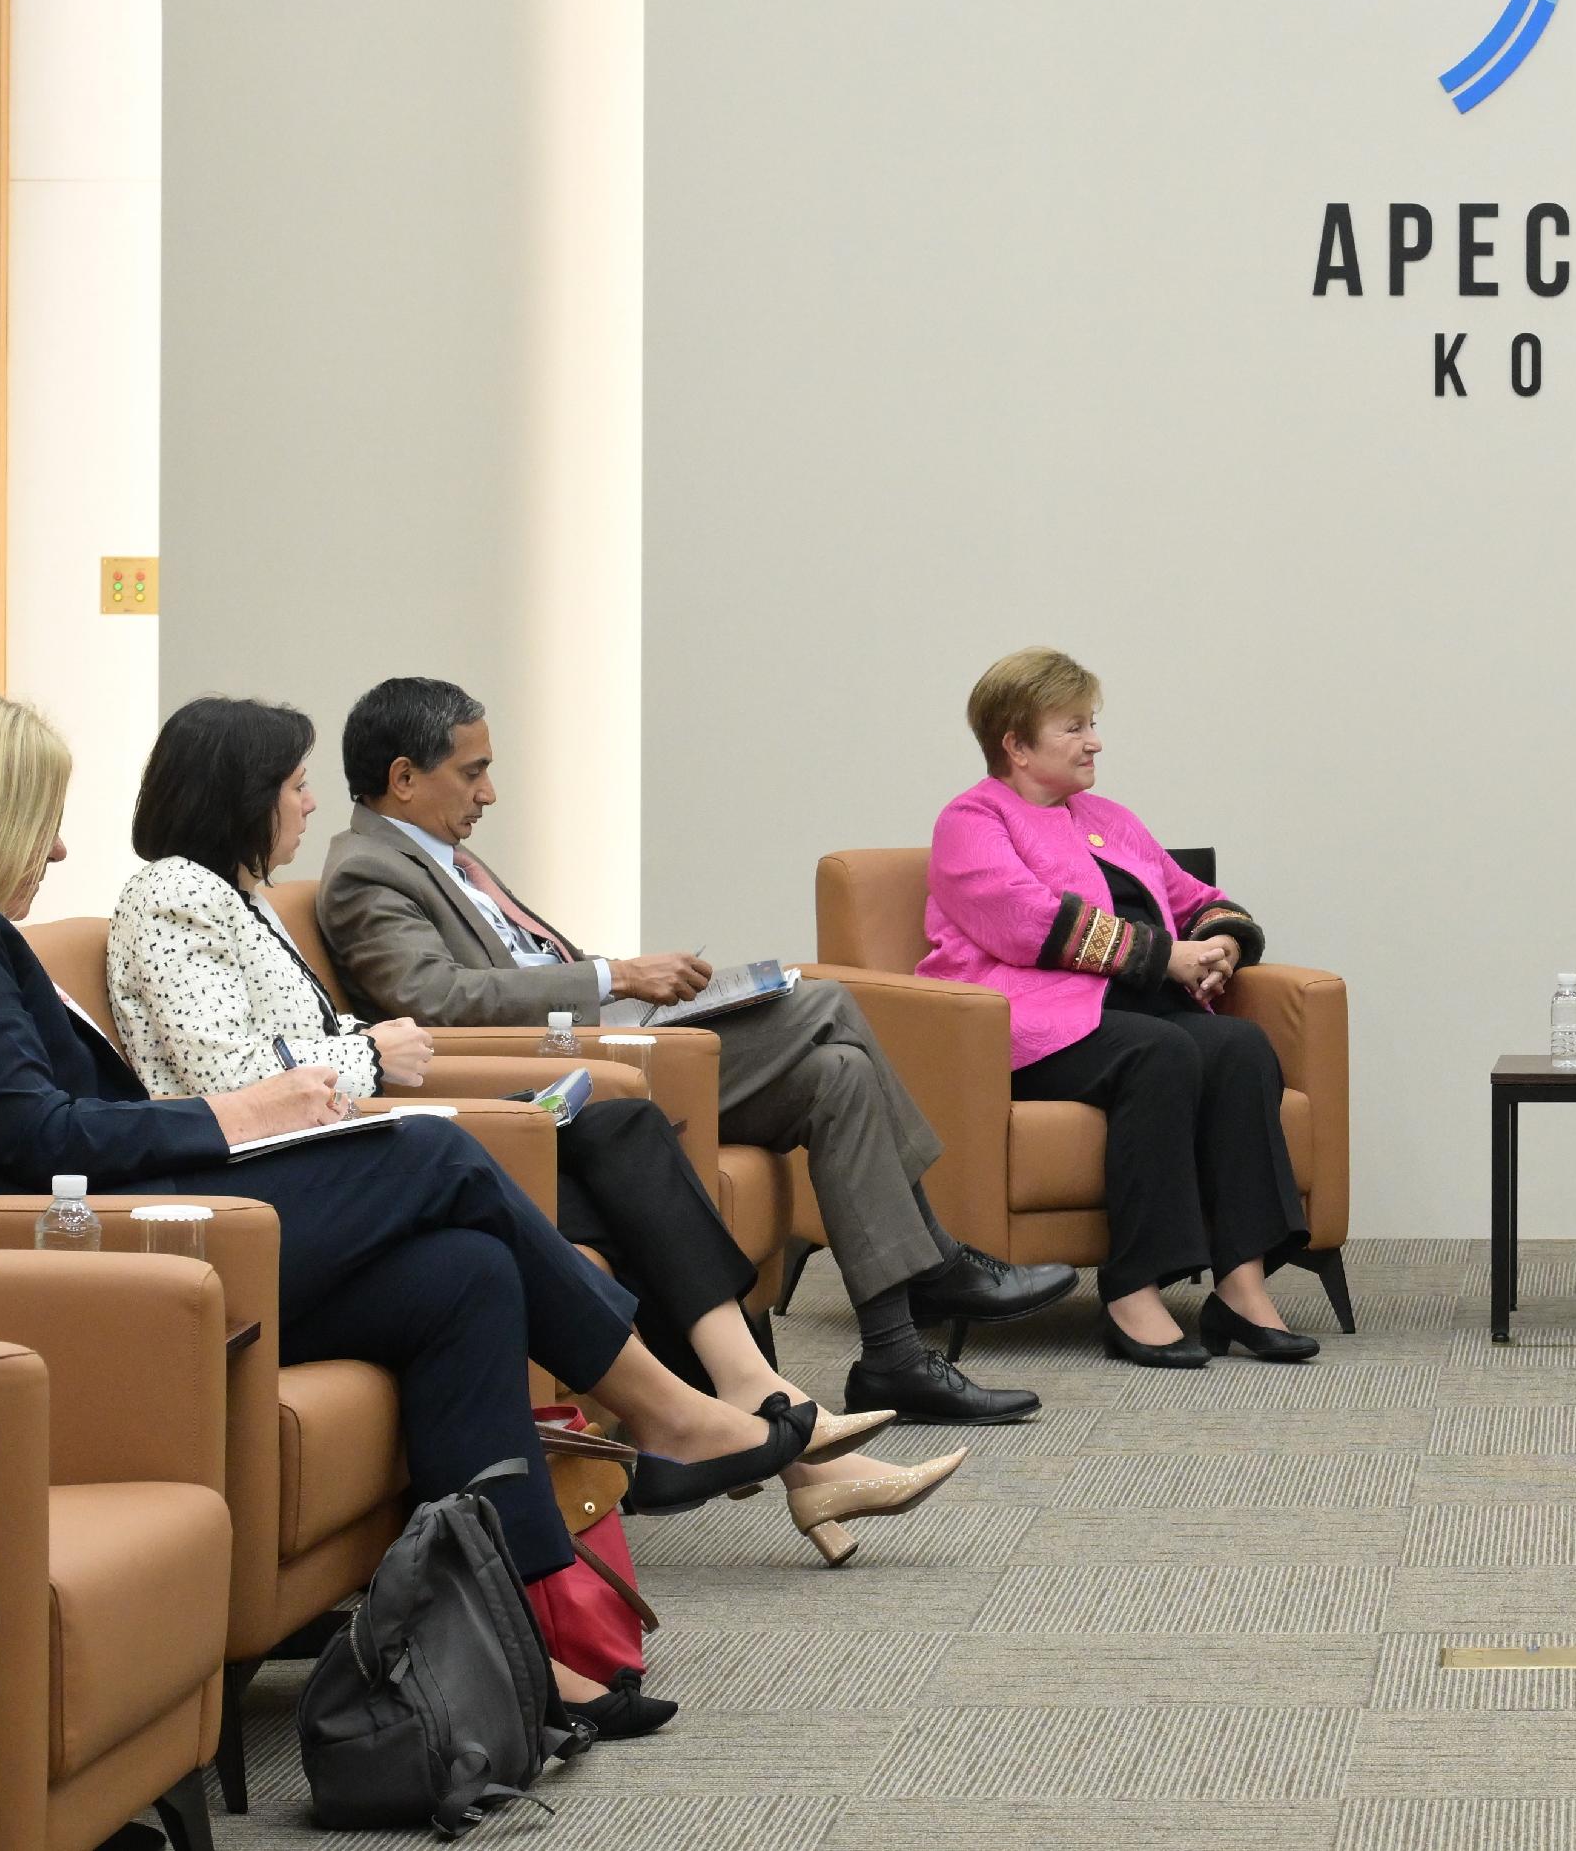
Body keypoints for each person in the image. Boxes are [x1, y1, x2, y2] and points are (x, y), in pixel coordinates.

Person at [0, 684, 818, 1741]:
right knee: (437, 1156)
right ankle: (665, 1411)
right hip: (64, 1271)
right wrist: (241, 1110)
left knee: (464, 1276)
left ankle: (521, 1641)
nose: (53, 852)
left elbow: (47, 1124)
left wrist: (251, 1115)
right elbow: (44, 1136)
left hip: (99, 1243)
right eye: (40, 821)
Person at [107, 695, 962, 1567]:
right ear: (239, 794)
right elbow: (230, 1077)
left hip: (338, 1132)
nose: (311, 802)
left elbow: (296, 1046)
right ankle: (747, 1412)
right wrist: (367, 1053)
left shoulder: (238, 896)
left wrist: (358, 1052)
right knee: (744, 1059)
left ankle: (759, 1409)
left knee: (626, 1126)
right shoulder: (179, 892)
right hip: (294, 1166)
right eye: (294, 785)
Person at [314, 675, 1070, 1425]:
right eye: (473, 771)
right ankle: (937, 1257)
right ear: (404, 778)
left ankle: (894, 1356)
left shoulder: (445, 856)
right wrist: (618, 975)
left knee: (836, 1072)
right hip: (565, 1066)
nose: (490, 794)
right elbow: (437, 1003)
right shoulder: (366, 871)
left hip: (607, 1030)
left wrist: (633, 983)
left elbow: (527, 966)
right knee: (827, 1000)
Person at [920, 647, 1314, 1369]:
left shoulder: (1107, 817)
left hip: (1134, 1012)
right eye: (1073, 726)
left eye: (1091, 722)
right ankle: (1133, 1283)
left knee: (1241, 1048)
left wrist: (1222, 941)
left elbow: (1197, 898)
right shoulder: (970, 821)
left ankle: (1241, 1282)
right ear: (1015, 742)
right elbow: (1024, 918)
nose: (1094, 739)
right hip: (1027, 1027)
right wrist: (1166, 957)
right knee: (1162, 1053)